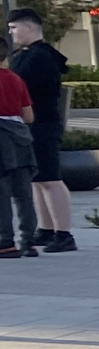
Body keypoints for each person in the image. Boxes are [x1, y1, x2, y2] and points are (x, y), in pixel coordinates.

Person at [7, 9, 69, 252]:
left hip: (42, 124)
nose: (11, 33)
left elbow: (21, 87)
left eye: (14, 28)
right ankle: (46, 228)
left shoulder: (40, 57)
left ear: (29, 28)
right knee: (38, 180)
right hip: (32, 124)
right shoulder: (30, 55)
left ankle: (63, 233)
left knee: (51, 179)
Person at [0, 54, 34, 257]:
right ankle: (28, 241)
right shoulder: (15, 78)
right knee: (23, 193)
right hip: (20, 138)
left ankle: (5, 241)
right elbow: (28, 115)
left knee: (1, 193)